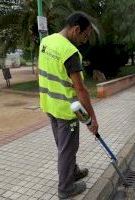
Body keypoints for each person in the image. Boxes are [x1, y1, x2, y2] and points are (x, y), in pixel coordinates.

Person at [38, 12, 99, 199]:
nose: (85, 40)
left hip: (49, 105)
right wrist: (92, 119)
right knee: (67, 149)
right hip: (65, 112)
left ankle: (73, 171)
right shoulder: (70, 53)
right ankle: (66, 188)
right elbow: (81, 91)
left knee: (64, 146)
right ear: (76, 29)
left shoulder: (46, 42)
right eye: (85, 35)